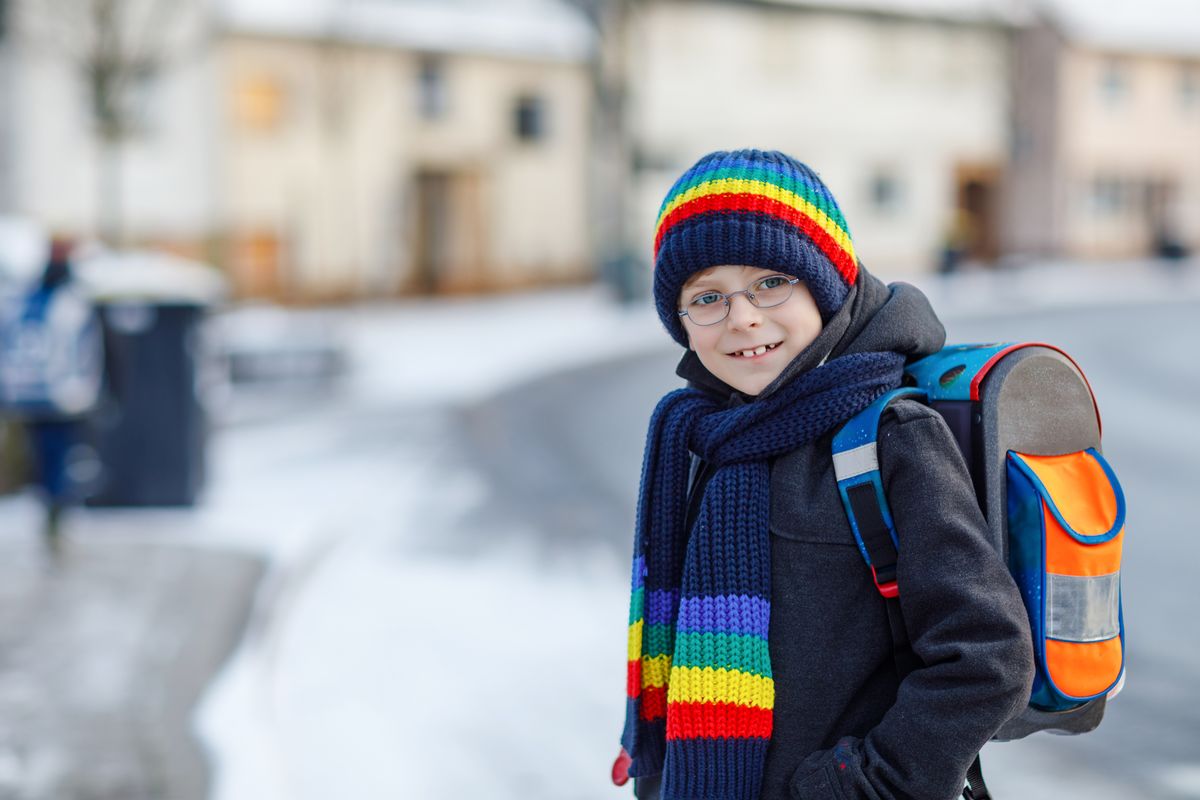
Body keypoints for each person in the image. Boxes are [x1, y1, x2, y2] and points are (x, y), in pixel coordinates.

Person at [616, 150, 1034, 800]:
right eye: (707, 297)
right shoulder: (707, 440)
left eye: (771, 282)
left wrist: (860, 785)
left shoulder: (889, 438)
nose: (743, 317)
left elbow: (987, 656)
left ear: (827, 283)